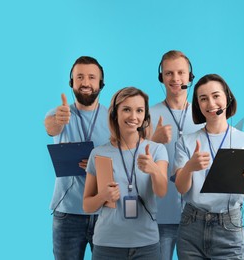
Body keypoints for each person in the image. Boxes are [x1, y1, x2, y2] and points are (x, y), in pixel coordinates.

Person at [174, 74, 244, 259]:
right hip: (191, 226)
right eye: (203, 99)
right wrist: (190, 167)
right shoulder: (186, 141)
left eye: (216, 96)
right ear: (198, 105)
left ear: (227, 97)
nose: (211, 103)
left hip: (229, 227)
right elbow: (180, 187)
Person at [83, 87, 168, 259]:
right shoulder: (98, 153)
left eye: (139, 110)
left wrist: (154, 170)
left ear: (145, 116)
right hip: (107, 245)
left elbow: (161, 191)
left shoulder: (157, 150)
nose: (133, 116)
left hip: (147, 245)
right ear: (115, 114)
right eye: (126, 109)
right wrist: (103, 196)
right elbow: (87, 205)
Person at [44, 56, 109, 260]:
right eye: (79, 77)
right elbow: (50, 126)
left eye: (91, 77)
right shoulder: (59, 113)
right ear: (72, 82)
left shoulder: (113, 118)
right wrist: (57, 119)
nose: (86, 83)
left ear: (101, 83)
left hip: (105, 213)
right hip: (67, 215)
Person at [150, 50, 202, 260]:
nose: (175, 78)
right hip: (159, 216)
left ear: (190, 77)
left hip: (197, 217)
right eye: (169, 73)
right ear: (161, 77)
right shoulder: (147, 115)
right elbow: (131, 162)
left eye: (181, 72)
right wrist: (153, 141)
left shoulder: (204, 116)